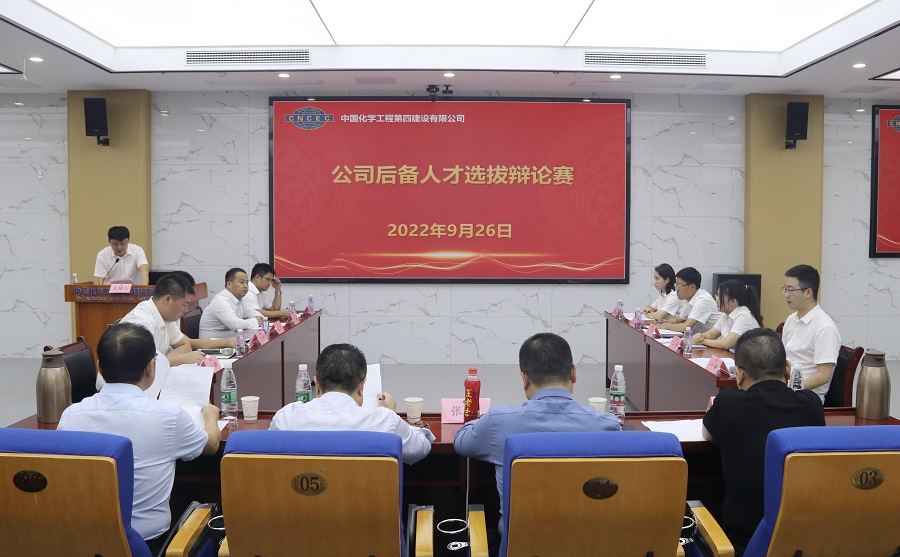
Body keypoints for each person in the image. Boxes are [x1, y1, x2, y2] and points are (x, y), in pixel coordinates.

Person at [58, 323, 221, 553]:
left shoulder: (70, 416)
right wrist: (211, 417)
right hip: (149, 544)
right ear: (150, 368)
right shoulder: (168, 416)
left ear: (99, 368)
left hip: (85, 543)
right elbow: (212, 445)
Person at [454, 333, 620, 537]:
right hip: (591, 544)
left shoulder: (499, 422)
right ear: (573, 372)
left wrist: (481, 420)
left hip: (519, 545)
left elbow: (461, 442)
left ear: (524, 379)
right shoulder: (606, 426)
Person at [702, 328, 825, 555]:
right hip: (802, 540)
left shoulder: (729, 402)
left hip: (743, 541)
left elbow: (707, 435)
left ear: (740, 373)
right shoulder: (812, 404)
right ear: (787, 369)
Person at [270, 343, 434, 464]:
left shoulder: (285, 418)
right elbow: (421, 448)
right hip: (366, 503)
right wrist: (393, 414)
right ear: (362, 387)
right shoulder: (384, 421)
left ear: (317, 384)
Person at [781, 264, 842, 403]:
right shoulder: (791, 320)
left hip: (807, 397)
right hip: (786, 390)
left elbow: (824, 375)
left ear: (808, 292)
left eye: (790, 290)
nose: (786, 295)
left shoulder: (824, 327)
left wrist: (791, 389)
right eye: (785, 289)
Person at [120, 273, 205, 366]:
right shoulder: (142, 324)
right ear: (168, 300)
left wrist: (165, 361)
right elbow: (144, 367)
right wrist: (181, 358)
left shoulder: (166, 315)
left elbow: (185, 345)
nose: (186, 310)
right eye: (184, 305)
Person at [692, 279, 763, 351]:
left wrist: (702, 341)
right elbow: (711, 334)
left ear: (733, 301)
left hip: (748, 357)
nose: (716, 300)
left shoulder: (744, 316)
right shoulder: (725, 314)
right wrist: (700, 336)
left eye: (720, 297)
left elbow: (725, 344)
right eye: (717, 296)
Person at [198, 267, 263, 339]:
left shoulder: (240, 300)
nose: (245, 286)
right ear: (229, 284)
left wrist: (259, 318)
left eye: (247, 283)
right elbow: (235, 324)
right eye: (242, 282)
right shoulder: (221, 301)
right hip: (211, 343)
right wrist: (256, 321)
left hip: (228, 339)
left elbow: (253, 313)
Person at [657, 267, 723, 334]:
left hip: (712, 339)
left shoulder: (703, 300)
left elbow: (685, 327)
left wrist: (666, 326)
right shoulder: (689, 299)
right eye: (676, 285)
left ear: (692, 287)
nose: (676, 289)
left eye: (679, 285)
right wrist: (664, 322)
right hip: (698, 337)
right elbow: (678, 319)